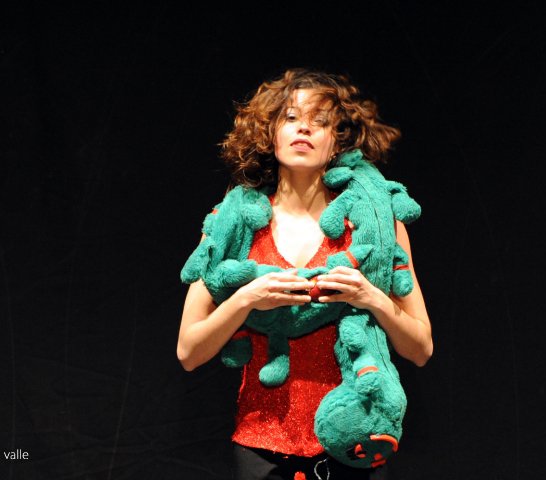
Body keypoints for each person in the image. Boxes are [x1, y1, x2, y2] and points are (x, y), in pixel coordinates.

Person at [177, 68, 432, 480]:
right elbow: (188, 352)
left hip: (355, 441)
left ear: (338, 141)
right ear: (270, 133)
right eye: (291, 117)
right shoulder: (234, 223)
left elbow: (421, 348)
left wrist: (371, 297)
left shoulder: (374, 224)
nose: (304, 129)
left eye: (321, 121)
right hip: (262, 444)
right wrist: (247, 298)